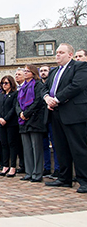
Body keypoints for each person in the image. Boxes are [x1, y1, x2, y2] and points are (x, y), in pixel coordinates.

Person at [43, 43, 87, 193]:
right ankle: (64, 178)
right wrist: (47, 97)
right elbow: (44, 87)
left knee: (78, 148)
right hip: (55, 114)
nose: (57, 55)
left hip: (73, 114)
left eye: (61, 52)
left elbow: (77, 86)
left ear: (70, 54)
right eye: (56, 52)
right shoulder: (54, 72)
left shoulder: (79, 67)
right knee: (60, 147)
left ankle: (84, 180)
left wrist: (57, 99)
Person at [16, 64, 46, 182]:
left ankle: (37, 173)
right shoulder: (22, 87)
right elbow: (17, 103)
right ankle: (29, 172)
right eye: (24, 71)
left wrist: (27, 113)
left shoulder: (38, 85)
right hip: (23, 121)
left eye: (27, 71)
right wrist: (20, 113)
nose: (25, 72)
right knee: (27, 148)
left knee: (36, 148)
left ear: (33, 73)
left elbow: (38, 101)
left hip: (35, 120)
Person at [0, 75, 19, 177]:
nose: (4, 85)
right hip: (1, 123)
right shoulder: (0, 95)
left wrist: (6, 119)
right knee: (3, 144)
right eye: (2, 83)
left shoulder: (15, 94)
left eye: (6, 83)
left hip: (11, 123)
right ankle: (5, 166)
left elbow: (14, 108)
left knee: (12, 144)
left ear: (11, 84)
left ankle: (13, 167)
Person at [39, 65, 59, 178]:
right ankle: (46, 168)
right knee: (44, 145)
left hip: (51, 116)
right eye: (41, 71)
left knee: (55, 144)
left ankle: (57, 169)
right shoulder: (40, 86)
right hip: (41, 120)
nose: (43, 73)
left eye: (45, 70)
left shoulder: (53, 83)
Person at [14, 68, 26, 174]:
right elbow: (16, 104)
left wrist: (24, 114)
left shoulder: (27, 87)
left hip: (26, 118)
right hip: (16, 120)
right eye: (16, 74)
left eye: (19, 74)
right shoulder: (15, 89)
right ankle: (21, 165)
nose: (17, 76)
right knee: (18, 144)